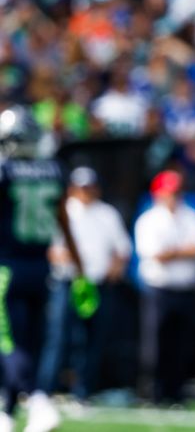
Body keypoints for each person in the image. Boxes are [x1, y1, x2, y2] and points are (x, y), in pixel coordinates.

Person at [0, 106, 84, 432]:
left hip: (7, 268)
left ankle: (37, 399)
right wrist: (79, 266)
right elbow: (64, 221)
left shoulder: (5, 171)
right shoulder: (54, 169)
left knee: (10, 343)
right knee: (30, 341)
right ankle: (6, 412)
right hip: (42, 267)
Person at [33, 166, 131, 423]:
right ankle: (45, 391)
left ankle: (81, 392)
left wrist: (113, 269)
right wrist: (72, 261)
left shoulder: (107, 214)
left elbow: (122, 248)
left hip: (97, 285)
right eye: (81, 187)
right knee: (59, 338)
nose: (85, 192)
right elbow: (50, 248)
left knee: (92, 340)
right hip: (67, 282)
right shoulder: (62, 211)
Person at [134, 170, 195, 404]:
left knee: (183, 344)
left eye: (177, 191)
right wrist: (181, 251)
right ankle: (155, 391)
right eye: (170, 192)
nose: (174, 196)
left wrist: (172, 251)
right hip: (160, 289)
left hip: (186, 288)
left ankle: (177, 393)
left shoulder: (192, 217)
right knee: (156, 343)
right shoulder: (148, 220)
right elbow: (155, 254)